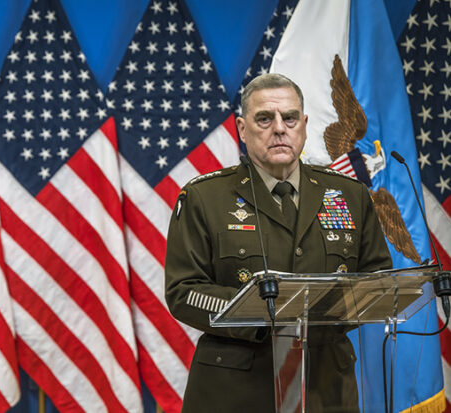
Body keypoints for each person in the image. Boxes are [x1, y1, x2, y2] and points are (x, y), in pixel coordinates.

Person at [165, 73, 392, 412]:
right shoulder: (204, 197)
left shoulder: (350, 194)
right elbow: (184, 292)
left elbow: (379, 281)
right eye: (264, 119)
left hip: (326, 387)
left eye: (289, 118)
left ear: (303, 124)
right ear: (242, 129)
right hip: (236, 390)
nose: (279, 128)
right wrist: (262, 312)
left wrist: (322, 310)